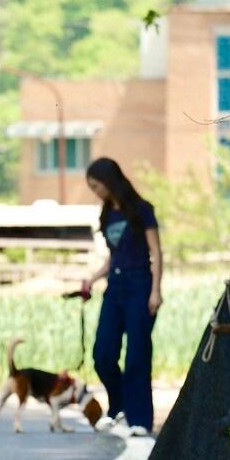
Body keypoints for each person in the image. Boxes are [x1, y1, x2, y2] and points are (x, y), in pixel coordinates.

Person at [80, 156, 163, 437]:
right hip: (114, 288)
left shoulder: (142, 210)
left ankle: (139, 419)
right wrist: (91, 278)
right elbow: (113, 257)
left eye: (96, 185)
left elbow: (156, 252)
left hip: (140, 285)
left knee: (137, 354)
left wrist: (156, 290)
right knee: (102, 353)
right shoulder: (106, 215)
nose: (96, 191)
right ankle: (118, 407)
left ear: (109, 180)